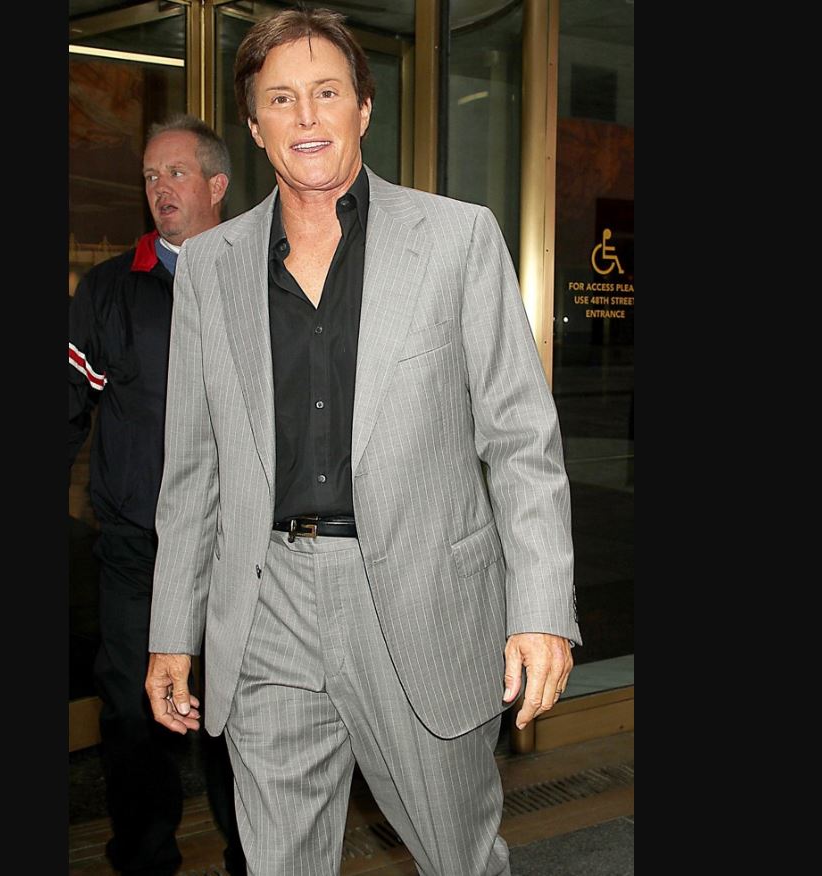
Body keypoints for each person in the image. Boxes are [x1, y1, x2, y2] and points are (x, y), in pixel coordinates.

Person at [145, 8, 581, 876]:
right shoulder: (211, 267)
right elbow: (194, 470)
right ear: (255, 125)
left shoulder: (456, 239)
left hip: (419, 602)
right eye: (281, 98)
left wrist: (540, 610)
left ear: (365, 108)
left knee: (458, 858)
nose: (306, 116)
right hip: (266, 608)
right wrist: (172, 631)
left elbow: (521, 442)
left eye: (327, 92)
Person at [68, 113, 247, 876]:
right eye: (149, 176)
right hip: (137, 552)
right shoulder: (111, 290)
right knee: (134, 713)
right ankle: (144, 859)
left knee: (241, 714)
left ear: (217, 184)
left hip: (241, 551)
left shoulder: (263, 281)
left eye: (175, 172)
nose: (158, 188)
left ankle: (257, 858)